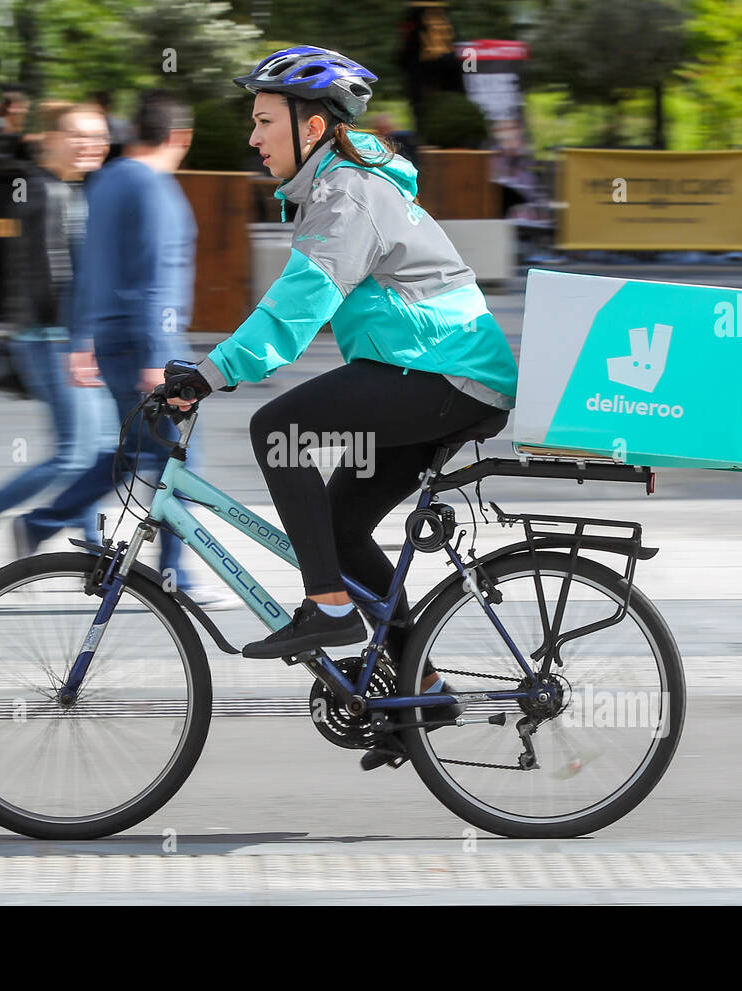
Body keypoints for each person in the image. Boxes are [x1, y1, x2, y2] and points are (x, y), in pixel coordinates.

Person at [160, 46, 519, 733]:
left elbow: (294, 312)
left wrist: (209, 374)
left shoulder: (349, 193)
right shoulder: (340, 188)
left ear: (313, 129)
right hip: (434, 373)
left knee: (280, 432)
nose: (252, 137)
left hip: (446, 372)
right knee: (344, 523)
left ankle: (327, 606)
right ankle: (426, 687)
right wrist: (214, 369)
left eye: (265, 122)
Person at [14, 90, 225, 606]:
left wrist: (82, 337)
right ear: (181, 138)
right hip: (147, 341)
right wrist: (157, 357)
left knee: (135, 454)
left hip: (111, 336)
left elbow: (86, 265)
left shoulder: (104, 182)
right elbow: (154, 276)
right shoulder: (154, 187)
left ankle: (41, 522)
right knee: (180, 455)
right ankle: (176, 578)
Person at [0, 102, 113, 558]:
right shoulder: (45, 193)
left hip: (60, 336)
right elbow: (51, 278)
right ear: (50, 141)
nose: (91, 145)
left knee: (98, 449)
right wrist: (77, 343)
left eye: (98, 137)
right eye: (78, 136)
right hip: (52, 339)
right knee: (75, 455)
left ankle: (90, 550)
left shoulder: (64, 188)